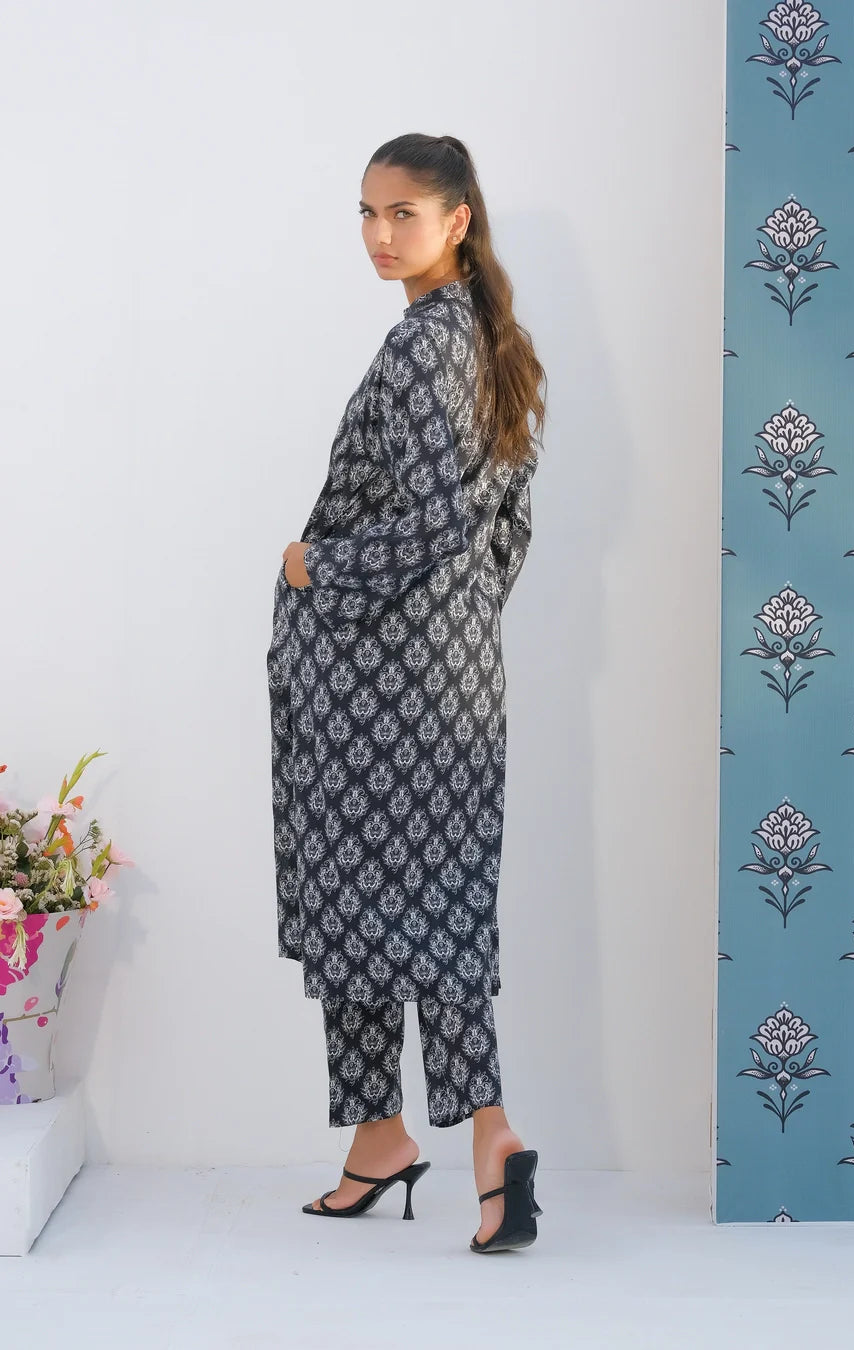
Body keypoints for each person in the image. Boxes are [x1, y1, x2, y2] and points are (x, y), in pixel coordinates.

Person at [267, 132, 546, 1253]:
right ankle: (407, 1136)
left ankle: (465, 1134)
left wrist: (317, 568)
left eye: (404, 215)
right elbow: (505, 533)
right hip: (453, 681)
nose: (380, 236)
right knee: (434, 910)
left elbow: (434, 525)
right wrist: (459, 636)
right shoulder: (492, 341)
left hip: (378, 685)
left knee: (362, 905)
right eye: (367, 214)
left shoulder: (428, 344)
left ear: (457, 220)